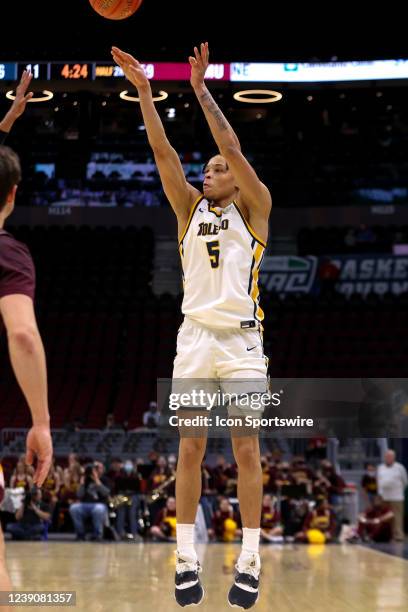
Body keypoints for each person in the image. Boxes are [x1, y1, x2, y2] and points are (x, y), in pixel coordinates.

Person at [112, 40, 271, 609]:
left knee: (247, 449)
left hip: (243, 342)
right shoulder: (189, 209)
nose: (210, 169)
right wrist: (146, 95)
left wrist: (200, 88)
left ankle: (250, 560)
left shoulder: (257, 210)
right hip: (195, 339)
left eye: (219, 168)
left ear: (238, 179)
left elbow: (229, 142)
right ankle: (185, 558)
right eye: (207, 167)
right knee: (189, 449)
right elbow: (162, 153)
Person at [0, 70, 53, 604]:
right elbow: (24, 336)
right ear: (14, 194)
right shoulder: (9, 252)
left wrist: (13, 115)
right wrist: (40, 421)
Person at [377, 450, 408, 541]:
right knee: (385, 517)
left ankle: (398, 536)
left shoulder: (400, 467)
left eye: (390, 457)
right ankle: (387, 536)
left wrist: (398, 490)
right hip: (384, 497)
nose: (388, 458)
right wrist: (380, 494)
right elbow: (379, 481)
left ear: (394, 458)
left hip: (397, 497)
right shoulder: (381, 467)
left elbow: (405, 482)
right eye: (387, 457)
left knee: (397, 517)